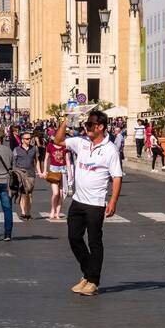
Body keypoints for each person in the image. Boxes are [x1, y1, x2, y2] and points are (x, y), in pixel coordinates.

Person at [55, 110, 122, 297]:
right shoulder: (81, 142)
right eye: (86, 124)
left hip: (96, 203)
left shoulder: (110, 150)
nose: (87, 128)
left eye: (90, 125)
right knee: (73, 238)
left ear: (100, 127)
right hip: (78, 200)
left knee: (95, 241)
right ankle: (87, 272)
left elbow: (117, 177)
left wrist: (113, 201)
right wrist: (65, 121)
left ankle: (93, 281)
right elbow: (58, 141)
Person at [41, 130, 68, 221]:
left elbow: (67, 160)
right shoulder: (50, 146)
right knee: (55, 193)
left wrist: (71, 173)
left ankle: (57, 213)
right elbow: (46, 159)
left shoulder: (65, 147)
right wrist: (45, 171)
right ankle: (53, 209)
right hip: (53, 170)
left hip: (63, 170)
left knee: (61, 194)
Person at [12, 130, 38, 221]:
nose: (29, 140)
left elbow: (36, 161)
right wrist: (14, 172)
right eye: (27, 139)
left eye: (30, 138)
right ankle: (23, 212)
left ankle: (28, 212)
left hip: (31, 174)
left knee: (29, 194)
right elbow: (13, 162)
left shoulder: (34, 149)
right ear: (22, 140)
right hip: (21, 174)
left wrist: (40, 172)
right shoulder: (16, 150)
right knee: (23, 193)